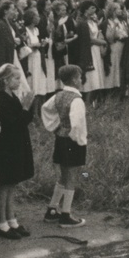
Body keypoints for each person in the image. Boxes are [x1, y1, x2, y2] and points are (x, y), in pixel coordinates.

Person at [0, 64, 35, 240]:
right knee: (5, 184)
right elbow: (13, 124)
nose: (19, 81)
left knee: (12, 184)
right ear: (7, 80)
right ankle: (1, 223)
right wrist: (24, 108)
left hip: (16, 145)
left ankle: (11, 219)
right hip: (6, 147)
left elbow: (25, 120)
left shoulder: (12, 97)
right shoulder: (2, 99)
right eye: (16, 78)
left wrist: (27, 107)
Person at [41, 64, 88, 227]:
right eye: (80, 77)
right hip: (72, 141)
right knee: (71, 177)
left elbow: (45, 109)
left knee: (62, 175)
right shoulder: (77, 100)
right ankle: (66, 215)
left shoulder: (58, 95)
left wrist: (55, 127)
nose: (81, 80)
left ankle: (52, 210)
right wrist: (78, 139)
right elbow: (76, 124)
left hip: (60, 139)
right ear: (75, 80)